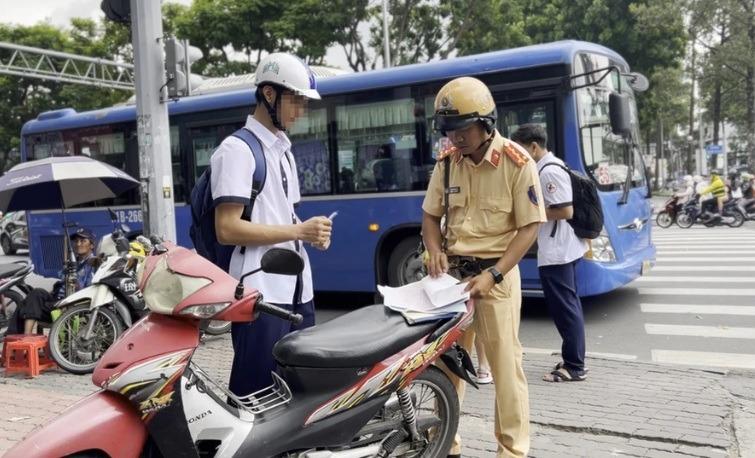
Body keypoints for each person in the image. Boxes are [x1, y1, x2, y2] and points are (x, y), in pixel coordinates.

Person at [422, 76, 546, 458]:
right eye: (449, 130)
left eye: (462, 128)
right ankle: (445, 443)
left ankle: (511, 450)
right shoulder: (446, 165)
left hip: (497, 279)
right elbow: (430, 217)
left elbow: (530, 227)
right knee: (446, 367)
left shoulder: (516, 162)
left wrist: (493, 275)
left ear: (486, 122)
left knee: (506, 369)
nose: (455, 138)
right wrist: (434, 250)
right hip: (455, 282)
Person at [210, 53, 332, 398]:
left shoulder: (284, 151)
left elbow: (285, 215)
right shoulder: (236, 150)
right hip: (258, 293)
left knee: (296, 389)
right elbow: (227, 228)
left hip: (297, 291)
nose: (301, 112)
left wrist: (311, 233)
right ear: (268, 94)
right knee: (256, 391)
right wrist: (297, 231)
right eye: (295, 101)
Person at [511, 124, 589, 383]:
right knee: (569, 306)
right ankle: (573, 358)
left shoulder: (548, 172)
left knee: (565, 309)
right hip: (562, 248)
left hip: (559, 251)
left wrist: (531, 213)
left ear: (534, 146)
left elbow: (565, 211)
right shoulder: (546, 167)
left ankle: (574, 366)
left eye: (521, 149)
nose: (518, 155)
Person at [16, 227, 96, 334]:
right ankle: (23, 338)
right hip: (58, 300)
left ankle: (24, 337)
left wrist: (75, 284)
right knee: (33, 297)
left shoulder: (93, 263)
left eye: (83, 241)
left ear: (91, 245)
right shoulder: (72, 262)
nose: (78, 244)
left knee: (31, 301)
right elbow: (61, 283)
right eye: (76, 241)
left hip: (72, 303)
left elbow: (89, 289)